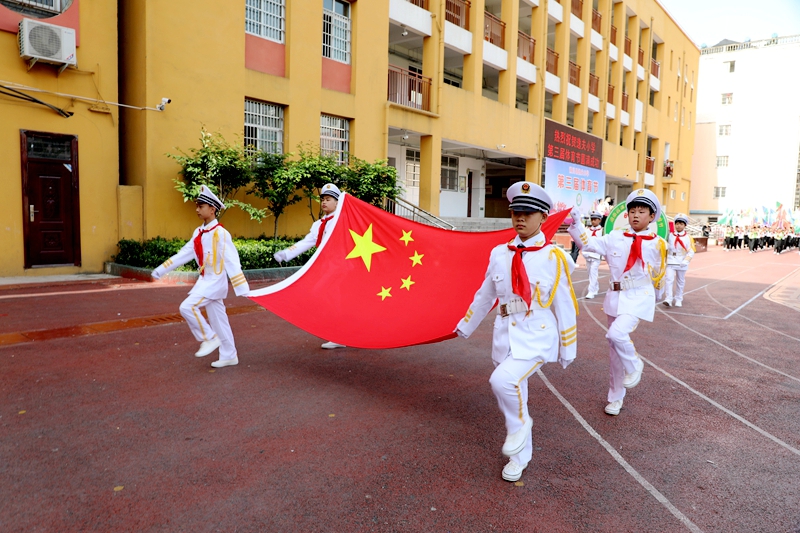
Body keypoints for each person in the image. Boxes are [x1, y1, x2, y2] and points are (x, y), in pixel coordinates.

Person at [455, 182, 579, 483]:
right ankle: (520, 456)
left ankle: (518, 428)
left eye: (528, 213)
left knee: (502, 381)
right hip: (505, 334)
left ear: (543, 218)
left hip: (537, 334)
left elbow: (564, 303)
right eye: (515, 212)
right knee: (516, 390)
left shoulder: (554, 257)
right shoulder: (500, 253)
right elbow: (486, 295)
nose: (520, 218)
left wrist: (568, 347)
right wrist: (466, 324)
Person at [568, 188, 667, 416]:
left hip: (639, 298)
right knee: (614, 352)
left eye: (642, 212)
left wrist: (659, 298)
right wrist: (576, 225)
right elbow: (589, 245)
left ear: (651, 217)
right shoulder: (614, 237)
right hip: (615, 298)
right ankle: (615, 397)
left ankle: (635, 364)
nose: (635, 215)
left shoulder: (657, 244)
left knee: (616, 334)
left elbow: (661, 274)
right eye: (632, 211)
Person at [151, 185, 250, 368]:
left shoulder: (221, 233)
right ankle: (229, 355)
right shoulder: (198, 233)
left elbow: (231, 260)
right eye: (197, 205)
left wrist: (242, 287)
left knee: (187, 307)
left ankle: (209, 337)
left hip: (214, 282)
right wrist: (161, 269)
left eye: (201, 206)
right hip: (205, 281)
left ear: (212, 209)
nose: (197, 209)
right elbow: (184, 254)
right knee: (219, 321)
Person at [274, 183, 345, 349]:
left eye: (329, 199)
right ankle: (339, 334)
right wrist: (286, 253)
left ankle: (340, 333)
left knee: (320, 293)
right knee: (334, 300)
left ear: (337, 202)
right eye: (323, 200)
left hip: (338, 266)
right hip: (324, 267)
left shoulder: (342, 220)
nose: (324, 203)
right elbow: (307, 242)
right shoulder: (318, 224)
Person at [663, 213, 695, 307]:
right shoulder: (669, 235)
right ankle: (668, 299)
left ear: (685, 225)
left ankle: (678, 299)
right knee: (669, 279)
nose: (679, 225)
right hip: (670, 260)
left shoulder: (688, 237)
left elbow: (691, 251)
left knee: (680, 281)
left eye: (681, 223)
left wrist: (686, 260)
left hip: (682, 261)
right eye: (677, 223)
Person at [583, 211, 604, 299]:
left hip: (596, 255)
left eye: (595, 219)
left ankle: (591, 291)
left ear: (599, 220)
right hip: (588, 254)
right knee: (589, 273)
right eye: (592, 219)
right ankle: (595, 287)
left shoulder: (602, 230)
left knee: (593, 272)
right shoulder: (588, 230)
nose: (593, 221)